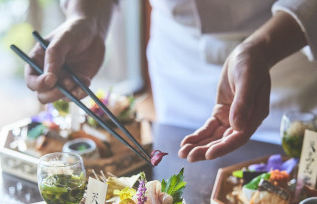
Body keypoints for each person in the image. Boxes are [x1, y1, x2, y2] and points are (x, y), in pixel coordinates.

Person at [25, 0, 317, 162]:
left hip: (287, 50)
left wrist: (263, 48)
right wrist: (87, 18)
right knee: (179, 176)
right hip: (178, 56)